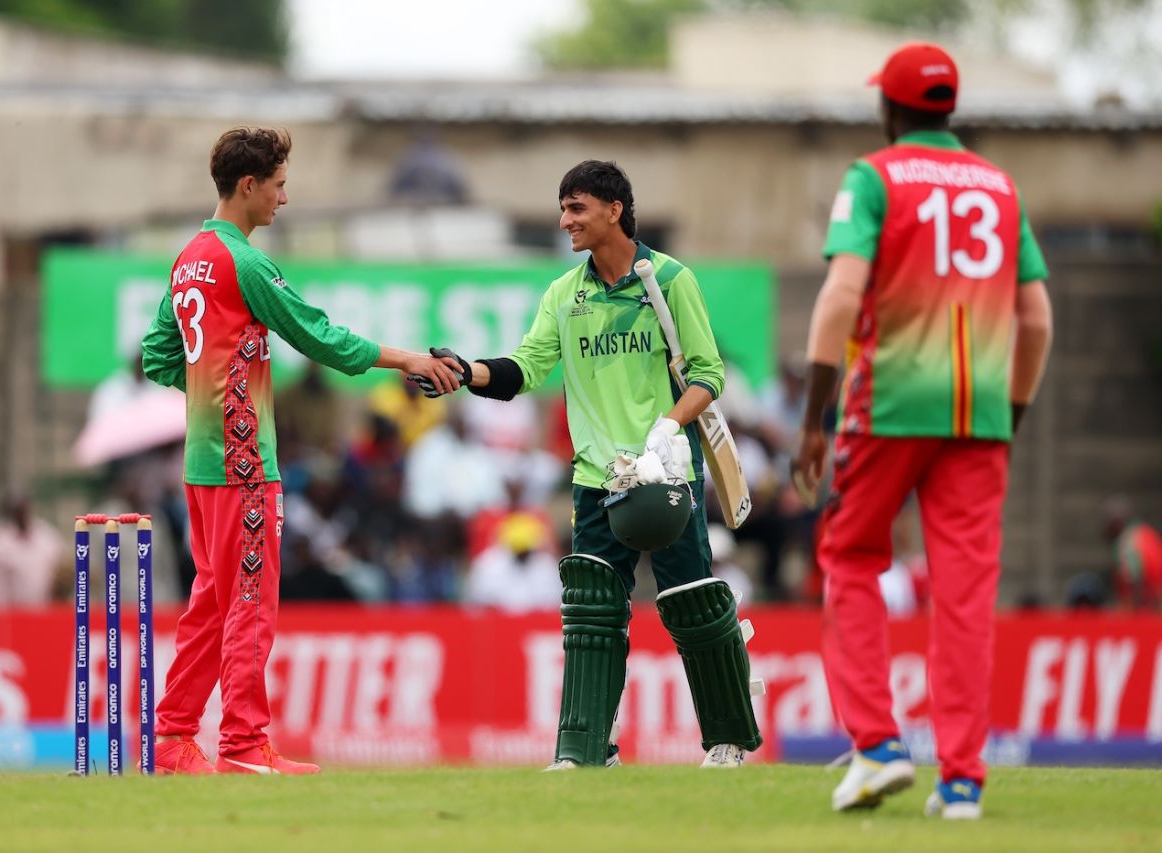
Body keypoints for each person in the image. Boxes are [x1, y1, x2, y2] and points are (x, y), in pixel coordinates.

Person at [411, 160, 761, 769]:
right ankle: (584, 749)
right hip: (598, 477)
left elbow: (708, 372)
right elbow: (525, 369)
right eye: (563, 207)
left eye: (576, 208)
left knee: (692, 599)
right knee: (593, 608)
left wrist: (666, 428)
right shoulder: (563, 294)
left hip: (667, 468)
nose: (564, 220)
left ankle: (727, 741)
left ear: (614, 210)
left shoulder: (670, 280)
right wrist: (468, 372)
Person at [140, 126, 461, 776]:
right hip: (245, 463)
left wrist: (209, 385)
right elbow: (321, 338)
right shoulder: (245, 262)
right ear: (250, 185)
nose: (285, 199)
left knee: (210, 601)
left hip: (202, 465)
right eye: (280, 185)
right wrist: (406, 358)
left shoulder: (189, 258)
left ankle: (174, 738)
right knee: (250, 602)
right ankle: (242, 744)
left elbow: (157, 354)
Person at [789, 44, 1054, 820]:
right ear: (951, 109)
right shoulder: (1002, 188)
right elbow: (1037, 317)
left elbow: (841, 298)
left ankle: (876, 748)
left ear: (890, 109)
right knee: (966, 591)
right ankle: (964, 780)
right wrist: (1014, 413)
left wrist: (814, 417)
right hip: (980, 413)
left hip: (893, 400)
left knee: (850, 553)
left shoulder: (873, 177)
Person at [0, 493, 64, 607]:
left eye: (23, 508)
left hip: (46, 612)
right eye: (17, 509)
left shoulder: (48, 536)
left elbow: (60, 574)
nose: (21, 513)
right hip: (12, 615)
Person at [1102, 496, 1162, 610]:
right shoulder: (1147, 532)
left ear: (1117, 522)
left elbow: (1131, 576)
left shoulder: (1126, 542)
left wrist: (1134, 610)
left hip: (1146, 608)